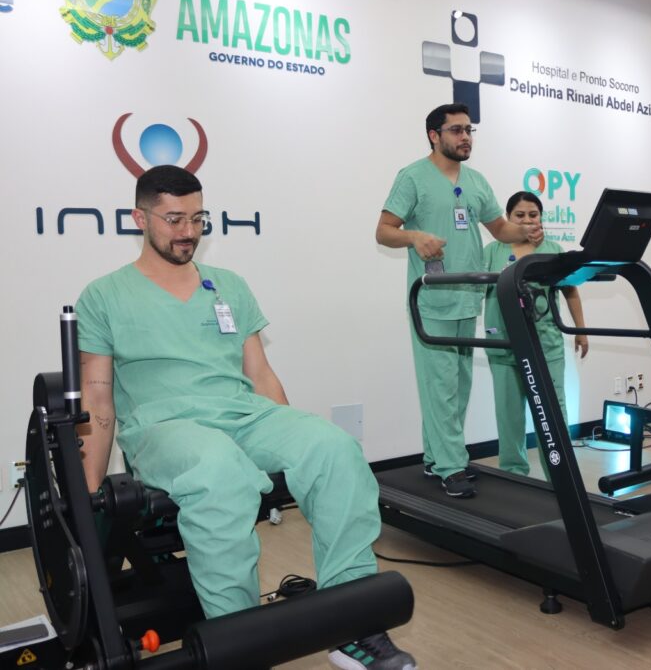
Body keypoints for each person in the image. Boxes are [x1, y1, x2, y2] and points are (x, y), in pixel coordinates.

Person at [76, 165, 415, 670]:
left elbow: (260, 375)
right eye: (174, 219)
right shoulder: (104, 295)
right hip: (165, 427)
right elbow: (98, 398)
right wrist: (88, 499)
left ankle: (353, 626)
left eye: (197, 218)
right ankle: (239, 644)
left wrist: (293, 441)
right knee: (220, 473)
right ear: (139, 219)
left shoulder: (229, 286)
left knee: (333, 448)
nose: (188, 231)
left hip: (243, 414)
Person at [376, 103, 541, 499]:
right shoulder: (413, 177)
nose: (465, 137)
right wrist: (414, 237)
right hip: (431, 301)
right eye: (456, 130)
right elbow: (383, 231)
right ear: (434, 135)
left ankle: (436, 458)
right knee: (440, 387)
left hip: (468, 298)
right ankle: (451, 466)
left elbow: (499, 228)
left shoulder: (477, 181)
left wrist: (524, 230)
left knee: (458, 386)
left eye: (469, 130)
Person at [482, 192, 588, 476]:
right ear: (508, 219)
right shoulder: (492, 251)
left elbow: (570, 291)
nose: (527, 220)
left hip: (546, 345)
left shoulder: (553, 250)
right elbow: (476, 289)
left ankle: (560, 472)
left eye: (533, 214)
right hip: (503, 345)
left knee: (553, 411)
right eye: (519, 215)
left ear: (541, 218)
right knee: (509, 415)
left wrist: (580, 331)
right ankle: (513, 472)